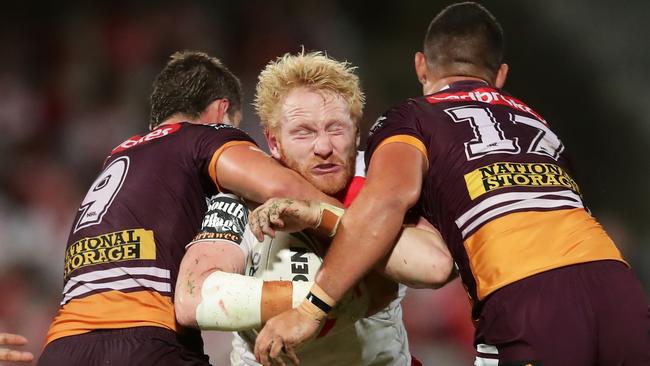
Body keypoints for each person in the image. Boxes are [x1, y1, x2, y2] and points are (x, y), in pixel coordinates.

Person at [251, 3, 650, 366]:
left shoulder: (412, 117)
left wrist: (310, 310)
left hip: (525, 295)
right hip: (618, 287)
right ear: (501, 76)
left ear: (421, 67)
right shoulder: (539, 123)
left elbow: (385, 204)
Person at [37, 50, 335, 366]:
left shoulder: (117, 158)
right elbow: (284, 191)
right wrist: (361, 228)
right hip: (145, 341)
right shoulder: (202, 136)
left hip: (61, 347)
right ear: (222, 111)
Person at [173, 51, 453, 366]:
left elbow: (434, 266)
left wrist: (318, 214)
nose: (323, 147)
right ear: (273, 141)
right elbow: (193, 298)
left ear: (356, 133)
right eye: (303, 132)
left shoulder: (377, 180)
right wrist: (313, 305)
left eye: (336, 129)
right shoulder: (240, 194)